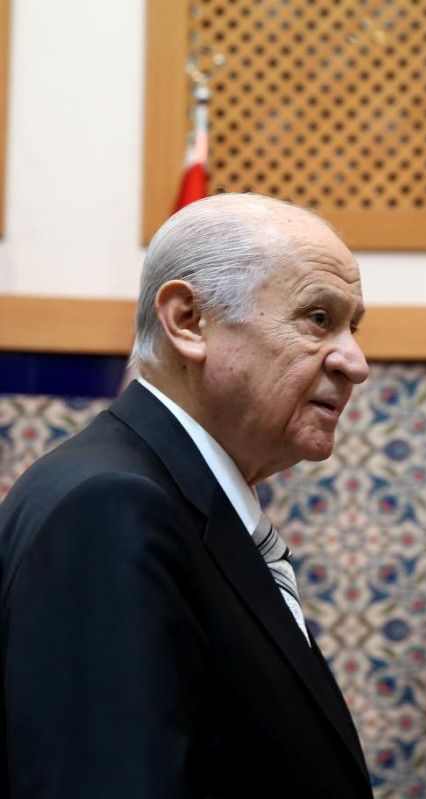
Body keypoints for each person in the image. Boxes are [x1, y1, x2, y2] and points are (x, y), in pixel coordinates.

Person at [0, 194, 372, 796]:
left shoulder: (166, 496)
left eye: (353, 327)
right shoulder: (112, 509)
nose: (355, 362)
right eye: (318, 319)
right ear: (188, 321)